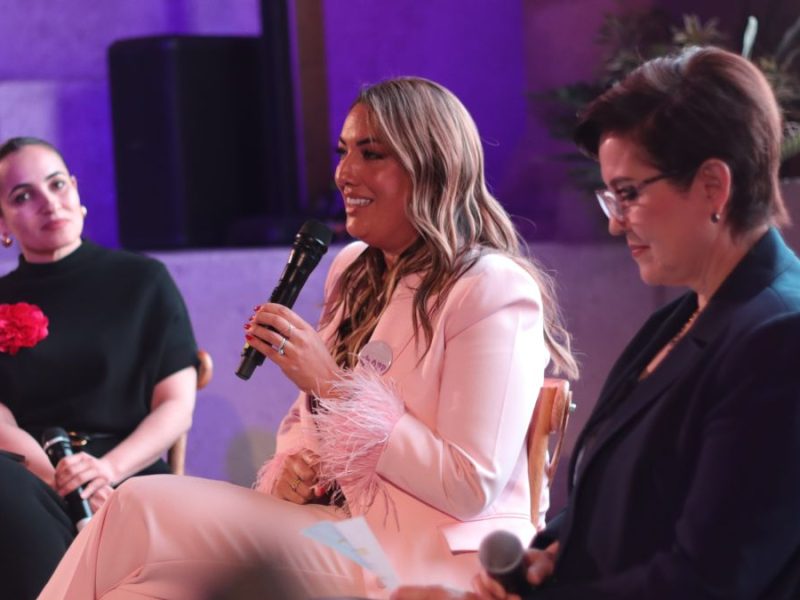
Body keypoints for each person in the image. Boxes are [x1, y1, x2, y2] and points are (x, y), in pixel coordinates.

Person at [38, 77, 578, 599]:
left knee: (139, 504)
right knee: (137, 590)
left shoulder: (491, 287)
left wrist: (333, 385)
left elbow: (469, 485)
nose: (344, 174)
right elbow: (303, 427)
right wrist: (294, 471)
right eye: (342, 152)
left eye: (371, 154)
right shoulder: (354, 269)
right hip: (339, 529)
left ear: (432, 166)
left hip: (422, 552)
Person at [394, 46, 800, 600]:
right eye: (611, 196)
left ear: (713, 187)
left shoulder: (780, 338)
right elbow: (621, 496)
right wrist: (544, 555)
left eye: (629, 194)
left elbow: (709, 580)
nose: (615, 223)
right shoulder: (688, 312)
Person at [0, 137, 199, 600]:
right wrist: (61, 480)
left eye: (56, 185)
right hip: (27, 478)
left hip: (126, 469)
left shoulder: (142, 281)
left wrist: (104, 471)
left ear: (75, 190)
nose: (48, 203)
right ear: (3, 222)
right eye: (22, 196)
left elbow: (176, 406)